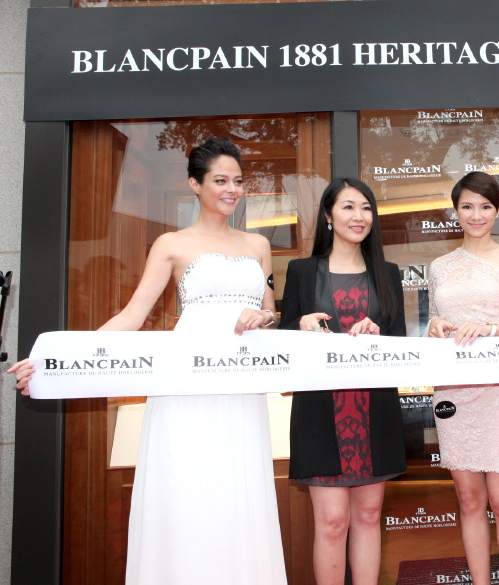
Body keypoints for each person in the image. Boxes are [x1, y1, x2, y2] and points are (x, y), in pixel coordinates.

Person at [9, 136, 287, 584]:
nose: (232, 189)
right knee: (188, 490)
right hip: (185, 384)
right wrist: (57, 360)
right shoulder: (170, 244)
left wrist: (266, 316)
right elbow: (131, 316)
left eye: (238, 181)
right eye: (220, 180)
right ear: (195, 184)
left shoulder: (258, 245)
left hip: (241, 385)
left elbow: (271, 314)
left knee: (239, 490)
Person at [280, 177, 406, 585]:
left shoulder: (388, 273)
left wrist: (379, 336)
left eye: (366, 208)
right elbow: (282, 341)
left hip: (374, 410)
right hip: (320, 412)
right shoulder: (302, 271)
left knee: (368, 516)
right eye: (348, 207)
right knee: (333, 521)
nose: (359, 216)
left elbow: (400, 345)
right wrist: (300, 325)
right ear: (329, 216)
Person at [426, 171, 499, 585]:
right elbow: (436, 323)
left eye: (485, 207)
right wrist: (434, 325)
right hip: (454, 388)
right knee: (469, 498)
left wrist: (489, 329)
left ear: (497, 211)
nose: (476, 215)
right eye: (468, 206)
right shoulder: (438, 266)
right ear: (455, 211)